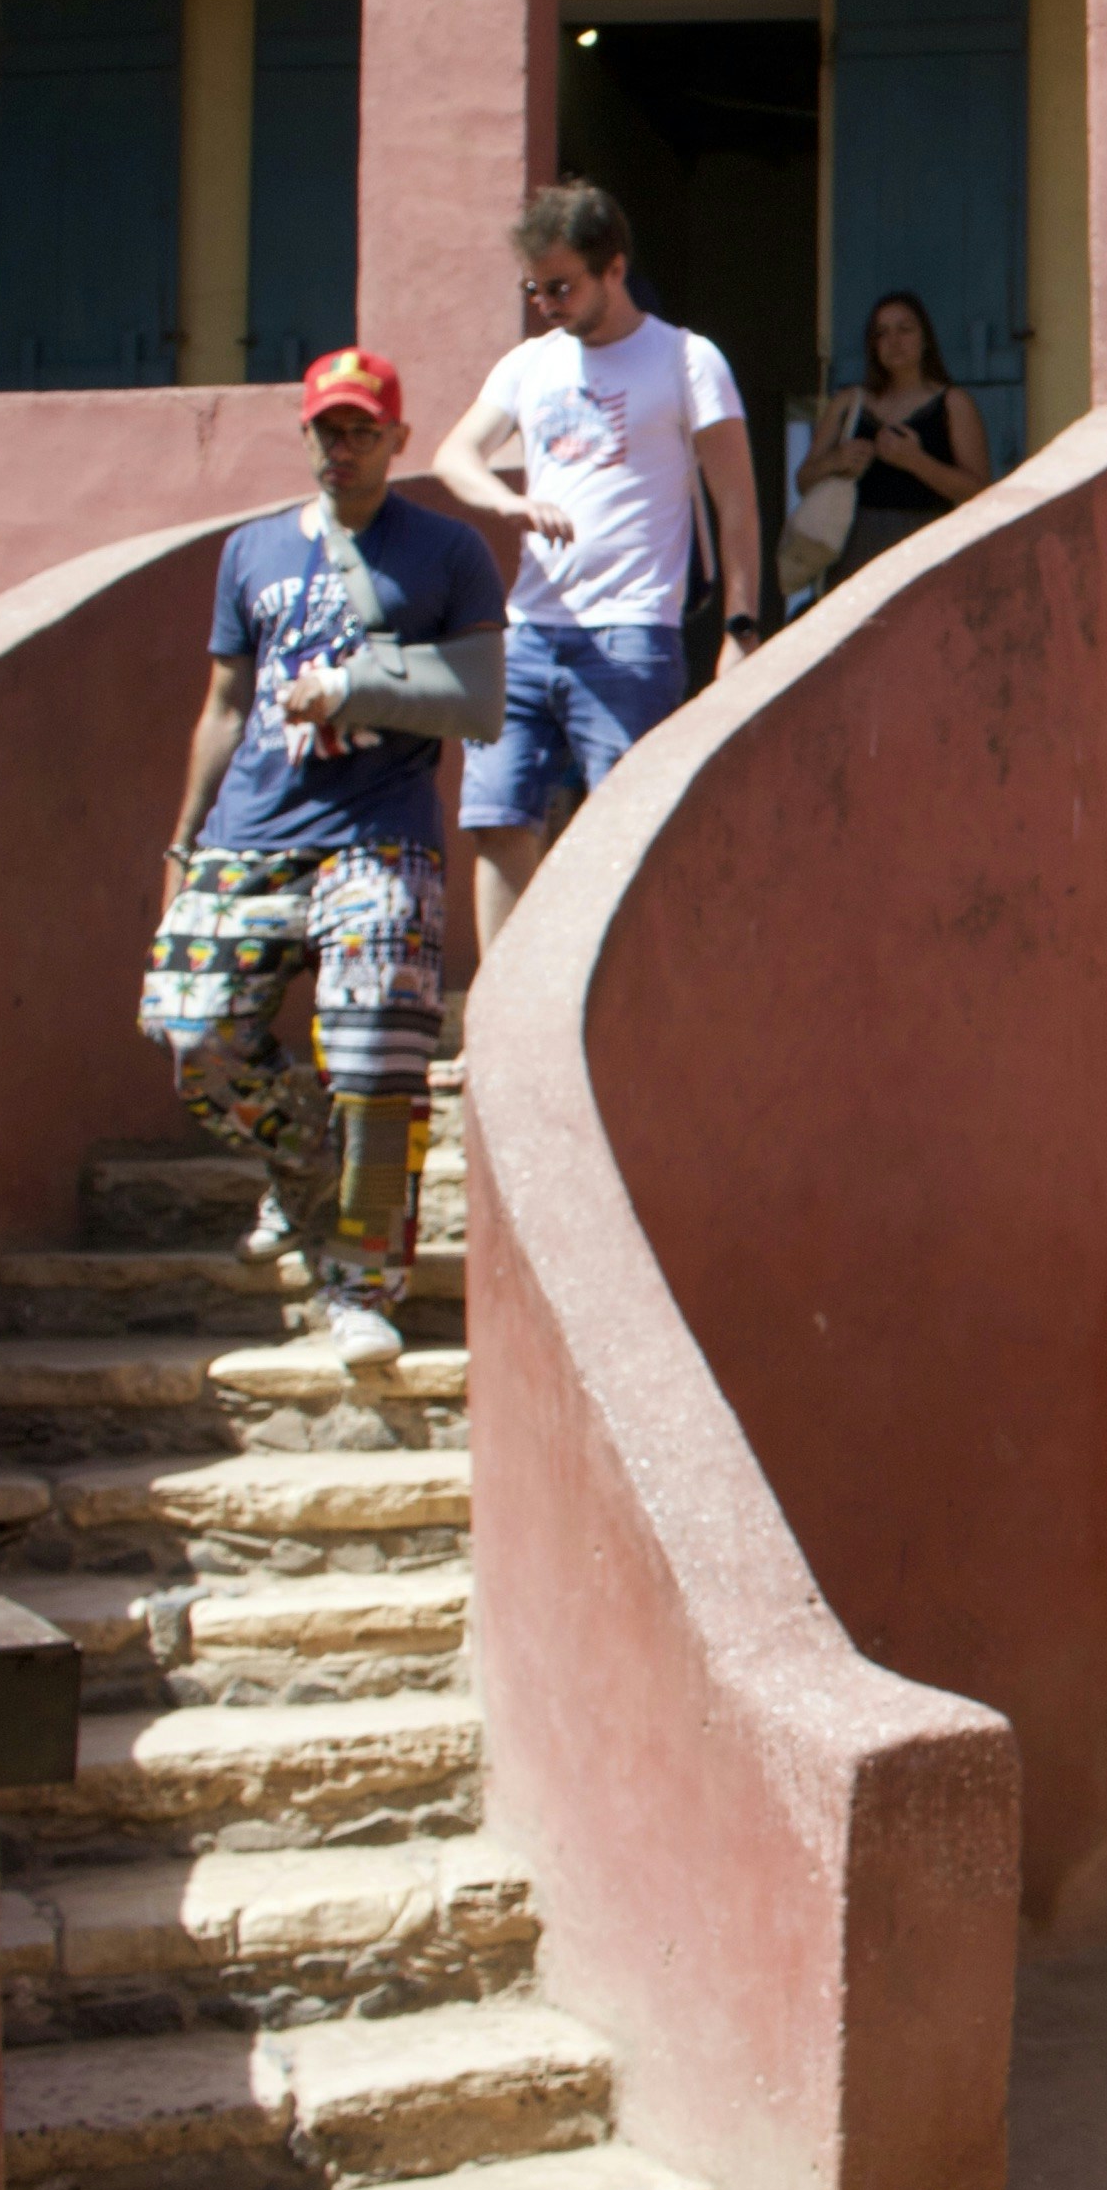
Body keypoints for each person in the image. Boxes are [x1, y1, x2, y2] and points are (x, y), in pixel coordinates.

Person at [147, 348, 509, 1366]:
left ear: (397, 439)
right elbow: (224, 706)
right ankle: (305, 1163)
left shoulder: (447, 552)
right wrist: (185, 838)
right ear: (303, 435)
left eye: (360, 430)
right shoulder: (252, 553)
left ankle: (363, 1287)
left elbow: (481, 697)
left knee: (376, 1060)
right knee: (191, 1029)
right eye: (325, 429)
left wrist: (353, 688)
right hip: (251, 833)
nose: (340, 447)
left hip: (379, 834)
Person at [434, 182, 764, 965]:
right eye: (535, 288)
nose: (546, 303)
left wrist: (741, 629)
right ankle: (503, 1020)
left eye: (562, 286)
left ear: (613, 269)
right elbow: (454, 455)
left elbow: (738, 506)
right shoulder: (528, 364)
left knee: (621, 829)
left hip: (632, 631)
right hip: (529, 630)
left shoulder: (686, 360)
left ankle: (605, 1005)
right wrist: (506, 504)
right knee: (497, 819)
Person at [793, 289, 1004, 585]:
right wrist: (837, 460)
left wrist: (916, 461)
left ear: (925, 339)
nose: (894, 341)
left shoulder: (953, 403)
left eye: (905, 330)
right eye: (882, 333)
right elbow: (803, 481)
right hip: (855, 545)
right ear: (873, 345)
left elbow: (978, 489)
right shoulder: (848, 403)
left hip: (927, 544)